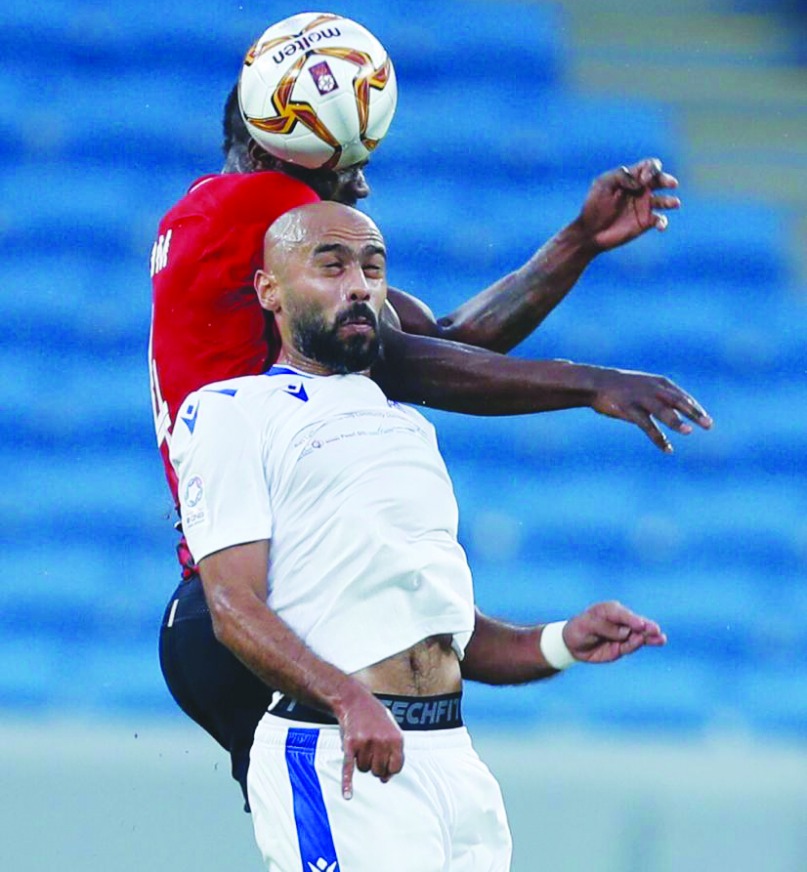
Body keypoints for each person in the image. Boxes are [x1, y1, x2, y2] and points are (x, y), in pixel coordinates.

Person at [154, 69, 710, 806]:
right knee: (349, 824)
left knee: (379, 827)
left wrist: (576, 243)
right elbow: (407, 361)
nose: (362, 185)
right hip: (262, 599)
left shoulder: (356, 388)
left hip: (283, 591)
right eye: (349, 163)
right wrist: (588, 383)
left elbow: (448, 339)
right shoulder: (253, 210)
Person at [169, 201, 667, 871]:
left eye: (373, 269)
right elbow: (232, 607)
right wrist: (347, 699)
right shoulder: (231, 412)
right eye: (332, 266)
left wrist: (557, 641)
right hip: (336, 749)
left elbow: (444, 627)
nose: (359, 286)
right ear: (269, 290)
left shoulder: (407, 426)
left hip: (450, 757)